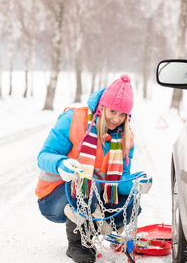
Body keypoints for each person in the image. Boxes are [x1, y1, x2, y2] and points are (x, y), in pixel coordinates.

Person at [35, 74, 152, 263]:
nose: (116, 119)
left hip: (95, 197)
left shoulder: (126, 138)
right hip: (55, 198)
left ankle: (98, 227)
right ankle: (77, 244)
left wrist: (135, 183)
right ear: (102, 106)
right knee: (89, 183)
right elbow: (43, 156)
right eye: (113, 111)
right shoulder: (73, 118)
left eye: (123, 115)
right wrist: (61, 164)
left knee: (131, 205)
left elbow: (119, 181)